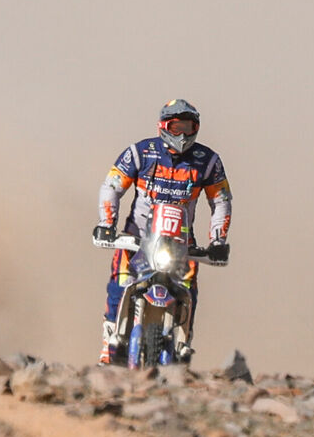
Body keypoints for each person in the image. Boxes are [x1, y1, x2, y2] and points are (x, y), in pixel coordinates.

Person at [92, 98, 231, 365]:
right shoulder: (140, 153)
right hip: (138, 238)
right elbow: (112, 186)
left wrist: (218, 240)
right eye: (175, 126)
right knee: (120, 283)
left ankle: (183, 344)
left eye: (188, 127)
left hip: (181, 242)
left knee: (188, 289)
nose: (182, 133)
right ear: (163, 126)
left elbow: (221, 200)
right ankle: (109, 345)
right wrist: (106, 224)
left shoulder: (208, 161)